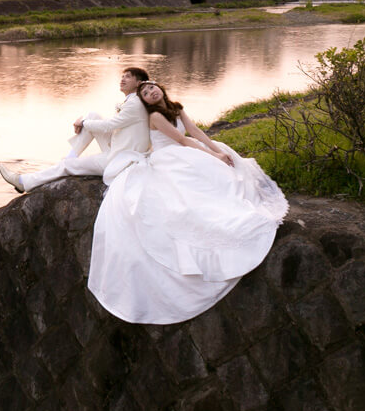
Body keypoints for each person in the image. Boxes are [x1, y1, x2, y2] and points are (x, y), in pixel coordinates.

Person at [87, 80, 287, 325]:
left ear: (160, 88)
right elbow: (182, 141)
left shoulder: (176, 107)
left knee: (223, 167)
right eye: (146, 93)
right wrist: (211, 155)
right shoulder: (156, 117)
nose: (151, 93)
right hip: (168, 157)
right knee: (192, 187)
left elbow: (195, 133)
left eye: (152, 88)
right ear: (146, 102)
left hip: (187, 149)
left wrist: (216, 149)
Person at [0, 67, 151, 193]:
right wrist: (87, 122)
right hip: (121, 149)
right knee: (94, 115)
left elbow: (109, 125)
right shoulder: (135, 101)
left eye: (128, 77)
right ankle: (71, 156)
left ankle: (23, 182)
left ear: (138, 83)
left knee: (67, 166)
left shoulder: (134, 104)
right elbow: (114, 127)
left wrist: (84, 123)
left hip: (119, 160)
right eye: (122, 76)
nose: (122, 79)